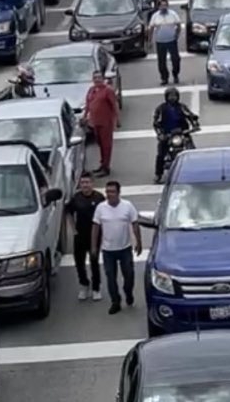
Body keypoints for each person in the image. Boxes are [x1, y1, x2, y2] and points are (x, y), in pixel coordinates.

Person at [91, 181, 142, 315]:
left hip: (125, 248)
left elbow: (135, 224)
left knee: (129, 275)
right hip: (108, 250)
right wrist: (94, 247)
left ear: (119, 193)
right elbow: (95, 227)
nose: (109, 195)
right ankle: (116, 301)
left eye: (112, 192)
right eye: (107, 192)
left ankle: (128, 292)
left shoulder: (128, 206)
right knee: (110, 277)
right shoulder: (100, 208)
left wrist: (139, 241)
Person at [65, 173, 105, 302]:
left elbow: (106, 214)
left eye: (87, 182)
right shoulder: (76, 198)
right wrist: (73, 229)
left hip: (95, 235)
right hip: (80, 235)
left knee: (94, 262)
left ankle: (96, 288)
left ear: (92, 183)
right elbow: (68, 213)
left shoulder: (99, 198)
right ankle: (84, 284)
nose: (85, 185)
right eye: (83, 183)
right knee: (79, 263)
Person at [152, 87, 200, 183]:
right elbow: (156, 122)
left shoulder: (182, 107)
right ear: (166, 97)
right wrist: (160, 134)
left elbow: (190, 116)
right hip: (167, 134)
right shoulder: (161, 109)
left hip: (182, 133)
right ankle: (158, 174)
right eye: (170, 96)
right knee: (161, 153)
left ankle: (196, 171)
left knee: (192, 150)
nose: (172, 98)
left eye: (174, 96)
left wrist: (195, 125)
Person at [84, 71, 120, 177]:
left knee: (106, 145)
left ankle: (106, 167)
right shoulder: (91, 90)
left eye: (99, 77)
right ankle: (102, 163)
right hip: (95, 122)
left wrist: (117, 119)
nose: (97, 80)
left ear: (103, 79)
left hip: (106, 122)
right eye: (95, 78)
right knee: (99, 143)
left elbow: (114, 104)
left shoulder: (108, 90)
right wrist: (85, 117)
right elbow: (88, 105)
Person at [148, 0, 183, 85]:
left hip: (171, 41)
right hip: (160, 42)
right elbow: (151, 28)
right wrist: (149, 41)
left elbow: (178, 25)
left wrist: (177, 35)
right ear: (159, 6)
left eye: (165, 5)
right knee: (161, 61)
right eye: (161, 5)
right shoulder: (155, 16)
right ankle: (164, 78)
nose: (163, 7)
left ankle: (175, 75)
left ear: (167, 6)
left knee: (176, 59)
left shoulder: (173, 14)